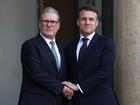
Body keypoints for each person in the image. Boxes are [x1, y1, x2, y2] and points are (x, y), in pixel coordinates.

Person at [64, 5, 119, 105]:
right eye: (83, 19)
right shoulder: (69, 47)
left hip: (102, 100)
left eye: (91, 19)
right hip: (78, 101)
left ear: (97, 23)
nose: (87, 22)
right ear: (78, 22)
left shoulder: (106, 43)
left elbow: (105, 71)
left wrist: (79, 87)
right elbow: (69, 73)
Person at [18, 7, 74, 105]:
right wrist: (62, 88)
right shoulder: (30, 45)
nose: (49, 25)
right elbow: (36, 73)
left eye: (53, 22)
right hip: (35, 101)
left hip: (57, 101)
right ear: (40, 24)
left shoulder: (61, 48)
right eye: (45, 21)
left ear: (58, 25)